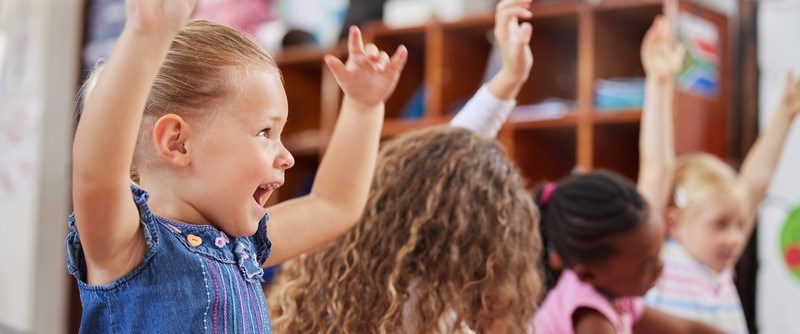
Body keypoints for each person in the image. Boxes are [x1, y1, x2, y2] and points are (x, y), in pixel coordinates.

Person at [66, 0, 408, 331]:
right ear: (177, 142)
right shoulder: (127, 246)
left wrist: (363, 107)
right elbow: (95, 174)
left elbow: (334, 204)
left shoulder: (243, 245)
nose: (287, 157)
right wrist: (145, 37)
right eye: (264, 133)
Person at [268, 1, 541, 332]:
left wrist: (511, 76)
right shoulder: (422, 308)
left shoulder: (361, 276)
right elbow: (443, 164)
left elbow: (446, 161)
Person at [639, 16, 800, 333]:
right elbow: (656, 168)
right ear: (673, 222)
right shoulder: (661, 257)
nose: (736, 238)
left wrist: (784, 115)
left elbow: (755, 183)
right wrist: (659, 82)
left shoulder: (718, 268)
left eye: (739, 224)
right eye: (720, 225)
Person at [532, 171, 723, 334]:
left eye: (659, 254)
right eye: (645, 266)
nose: (660, 267)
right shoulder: (591, 318)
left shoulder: (612, 291)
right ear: (588, 275)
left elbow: (687, 329)